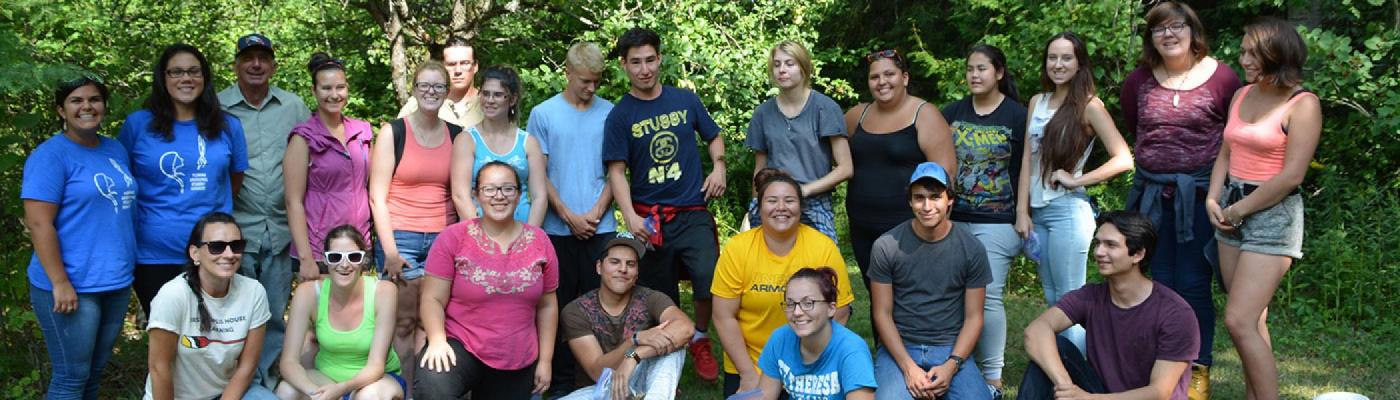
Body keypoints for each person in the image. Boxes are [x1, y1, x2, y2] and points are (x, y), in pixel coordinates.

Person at [1119, 4, 1243, 397]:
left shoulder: (1223, 78)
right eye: (1159, 28)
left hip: (1201, 199)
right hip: (1150, 196)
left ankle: (1197, 371)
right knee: (1155, 282)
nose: (1168, 34)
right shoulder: (1138, 80)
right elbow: (1135, 126)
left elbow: (1234, 137)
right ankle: (1160, 372)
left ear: (1193, 30)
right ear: (1150, 36)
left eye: (1177, 26)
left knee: (1192, 284)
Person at [603, 27, 726, 382]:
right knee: (660, 295)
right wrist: (630, 216)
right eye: (636, 62)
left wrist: (718, 167)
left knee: (708, 280)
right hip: (650, 220)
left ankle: (700, 337)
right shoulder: (620, 115)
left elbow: (714, 137)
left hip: (692, 210)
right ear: (624, 65)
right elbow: (616, 171)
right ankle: (668, 357)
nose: (645, 69)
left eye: (650, 60)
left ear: (660, 59)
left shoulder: (684, 100)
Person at [1206, 18, 1320, 400]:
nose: (1244, 59)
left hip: (1272, 212)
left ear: (1278, 55)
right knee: (1253, 319)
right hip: (1230, 207)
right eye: (1243, 51)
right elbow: (1226, 151)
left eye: (1252, 52)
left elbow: (1292, 177)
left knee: (1238, 320)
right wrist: (1213, 198)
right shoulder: (1242, 94)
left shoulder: (1303, 104)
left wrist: (1239, 210)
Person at [1016, 32, 1134, 350]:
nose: (1058, 64)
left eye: (1066, 57)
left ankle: (1081, 379)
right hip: (1038, 214)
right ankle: (1065, 372)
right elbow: (1028, 157)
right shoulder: (1036, 102)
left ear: (1079, 63)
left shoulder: (1089, 106)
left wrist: (1077, 180)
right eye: (1052, 57)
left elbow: (1124, 159)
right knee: (1054, 300)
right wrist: (1022, 210)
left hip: (1068, 211)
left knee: (1070, 302)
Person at [23, 77, 136, 399]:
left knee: (92, 374)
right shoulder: (51, 156)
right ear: (61, 110)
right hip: (72, 286)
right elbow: (39, 224)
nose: (87, 106)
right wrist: (60, 282)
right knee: (71, 378)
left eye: (94, 99)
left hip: (114, 281)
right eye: (76, 100)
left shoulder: (115, 149)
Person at [121, 43, 249, 319]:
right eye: (176, 72)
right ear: (163, 78)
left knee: (212, 340)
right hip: (153, 255)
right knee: (166, 339)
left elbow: (233, 182)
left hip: (214, 253)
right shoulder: (137, 125)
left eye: (194, 71)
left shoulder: (228, 126)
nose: (186, 78)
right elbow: (124, 183)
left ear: (205, 77)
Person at [415, 161, 560, 399]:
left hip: (517, 355)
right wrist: (437, 340)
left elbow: (547, 305)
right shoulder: (453, 237)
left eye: (507, 188)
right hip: (460, 344)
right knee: (433, 383)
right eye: (489, 189)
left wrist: (545, 360)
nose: (499, 196)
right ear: (476, 195)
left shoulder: (540, 241)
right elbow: (431, 299)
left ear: (519, 194)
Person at [1019, 211, 1200, 399]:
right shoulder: (1091, 296)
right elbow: (1036, 330)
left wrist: (1089, 399)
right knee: (1051, 350)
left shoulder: (1175, 313)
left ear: (1138, 254)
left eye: (1110, 245)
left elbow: (1159, 392)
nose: (1098, 252)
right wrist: (1066, 386)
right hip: (1101, 394)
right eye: (1098, 243)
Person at [218, 33, 313, 388]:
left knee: (273, 313)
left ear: (272, 65)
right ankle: (233, 382)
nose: (255, 65)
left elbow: (312, 160)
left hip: (281, 229)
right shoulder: (217, 107)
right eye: (248, 58)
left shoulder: (293, 107)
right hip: (234, 231)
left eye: (262, 58)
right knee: (232, 312)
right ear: (236, 65)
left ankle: (268, 383)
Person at [712, 171, 856, 397]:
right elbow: (723, 316)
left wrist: (808, 363)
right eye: (772, 200)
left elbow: (840, 311)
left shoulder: (822, 247)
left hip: (809, 361)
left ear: (801, 207)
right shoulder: (737, 249)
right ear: (759, 208)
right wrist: (748, 374)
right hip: (749, 363)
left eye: (789, 200)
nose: (781, 207)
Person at [528, 41, 618, 394]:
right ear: (567, 73)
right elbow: (539, 173)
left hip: (601, 228)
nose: (591, 88)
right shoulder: (544, 114)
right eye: (584, 81)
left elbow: (616, 169)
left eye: (596, 81)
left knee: (602, 306)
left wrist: (595, 213)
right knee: (561, 307)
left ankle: (602, 380)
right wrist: (567, 215)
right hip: (557, 230)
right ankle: (561, 383)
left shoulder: (611, 112)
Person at [369, 60, 462, 395]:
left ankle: (429, 391)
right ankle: (403, 390)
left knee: (433, 324)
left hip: (443, 238)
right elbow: (377, 197)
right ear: (414, 88)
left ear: (447, 92)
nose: (431, 92)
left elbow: (461, 192)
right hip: (401, 238)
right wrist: (390, 252)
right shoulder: (393, 133)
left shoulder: (457, 136)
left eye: (438, 86)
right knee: (403, 323)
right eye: (425, 85)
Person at [940, 44, 1028, 397]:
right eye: (970, 69)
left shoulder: (1016, 115)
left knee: (987, 295)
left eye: (982, 69)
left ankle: (992, 379)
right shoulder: (952, 112)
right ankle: (958, 362)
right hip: (955, 217)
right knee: (954, 294)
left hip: (999, 219)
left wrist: (1023, 214)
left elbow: (1025, 169)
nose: (974, 75)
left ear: (999, 73)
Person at [869, 162, 991, 400]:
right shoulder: (887, 245)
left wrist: (952, 365)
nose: (927, 206)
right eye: (919, 198)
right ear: (910, 202)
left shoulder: (972, 248)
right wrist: (908, 368)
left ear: (950, 201)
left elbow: (974, 317)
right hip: (901, 346)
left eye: (935, 197)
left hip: (950, 346)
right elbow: (881, 313)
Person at [844, 48, 956, 299]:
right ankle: (883, 340)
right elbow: (829, 154)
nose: (882, 82)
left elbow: (945, 175)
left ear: (904, 77)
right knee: (877, 297)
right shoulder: (856, 116)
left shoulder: (925, 115)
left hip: (911, 227)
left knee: (912, 297)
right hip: (863, 226)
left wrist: (936, 229)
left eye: (889, 74)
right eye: (874, 77)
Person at [143, 212, 275, 400]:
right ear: (195, 253)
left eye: (236, 246)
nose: (229, 254)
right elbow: (159, 368)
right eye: (216, 247)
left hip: (225, 394)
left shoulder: (254, 292)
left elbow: (247, 367)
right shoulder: (172, 295)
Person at [556, 235, 694, 400]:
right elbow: (597, 372)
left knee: (674, 345)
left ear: (636, 273)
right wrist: (634, 341)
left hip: (641, 382)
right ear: (599, 267)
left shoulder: (650, 298)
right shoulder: (576, 310)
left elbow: (686, 329)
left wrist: (634, 356)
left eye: (631, 264)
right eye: (615, 262)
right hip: (600, 390)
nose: (623, 269)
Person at [275, 225, 403, 400]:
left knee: (368, 397)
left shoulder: (383, 291)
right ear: (325, 260)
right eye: (335, 257)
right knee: (286, 391)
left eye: (353, 257)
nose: (344, 264)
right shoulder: (309, 293)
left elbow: (376, 366)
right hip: (326, 379)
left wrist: (342, 390)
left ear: (363, 260)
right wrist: (314, 393)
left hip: (375, 381)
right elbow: (289, 362)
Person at [744, 40, 851, 241]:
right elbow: (760, 168)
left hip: (815, 201)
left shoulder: (825, 108)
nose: (782, 70)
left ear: (803, 67)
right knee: (770, 266)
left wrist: (803, 190)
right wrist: (755, 205)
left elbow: (846, 168)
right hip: (774, 202)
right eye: (777, 64)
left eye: (789, 63)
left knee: (824, 267)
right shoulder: (763, 113)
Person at [285, 52, 373, 280]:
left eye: (340, 87)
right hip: (320, 248)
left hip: (358, 243)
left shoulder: (361, 132)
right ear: (314, 91)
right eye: (326, 88)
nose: (334, 95)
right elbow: (293, 201)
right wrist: (305, 258)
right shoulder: (303, 138)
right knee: (323, 313)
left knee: (359, 313)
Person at [756, 268, 877, 400]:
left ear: (831, 308)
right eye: (790, 304)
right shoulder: (780, 339)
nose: (797, 312)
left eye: (808, 303)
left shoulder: (852, 350)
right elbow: (764, 396)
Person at [450, 64, 548, 224]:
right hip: (478, 231)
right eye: (485, 94)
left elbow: (540, 197)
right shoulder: (466, 140)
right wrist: (481, 236)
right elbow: (460, 196)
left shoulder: (528, 143)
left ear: (512, 99)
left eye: (497, 95)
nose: (490, 100)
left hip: (522, 229)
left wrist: (530, 237)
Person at [397, 36, 483, 128]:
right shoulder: (417, 104)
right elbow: (396, 137)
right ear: (442, 67)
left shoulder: (492, 104)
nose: (458, 70)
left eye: (464, 63)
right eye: (451, 64)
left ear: (475, 66)